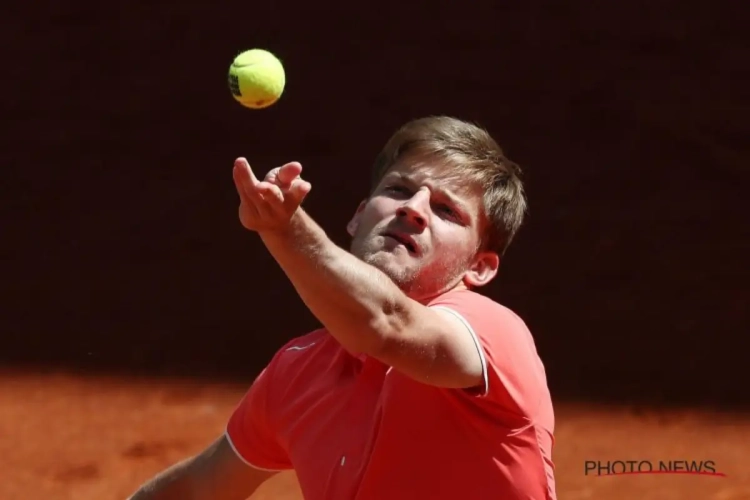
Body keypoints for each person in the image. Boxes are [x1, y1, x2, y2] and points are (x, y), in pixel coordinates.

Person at [128, 116, 556, 500]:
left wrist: (285, 230)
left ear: (479, 267)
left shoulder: (494, 334)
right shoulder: (297, 372)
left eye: (446, 210)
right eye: (397, 189)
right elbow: (200, 488)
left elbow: (386, 324)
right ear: (358, 216)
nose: (413, 208)